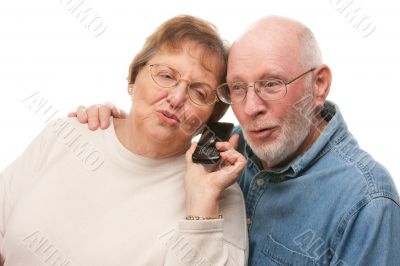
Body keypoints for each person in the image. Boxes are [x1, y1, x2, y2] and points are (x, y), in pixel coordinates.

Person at [73, 16, 400, 265]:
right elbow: (158, 131)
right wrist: (110, 123)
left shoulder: (368, 202)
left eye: (271, 84)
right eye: (238, 88)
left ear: (320, 85)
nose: (251, 108)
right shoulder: (223, 145)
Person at [0, 15, 249, 266]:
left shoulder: (219, 192)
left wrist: (202, 206)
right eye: (166, 76)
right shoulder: (66, 135)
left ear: (210, 118)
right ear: (133, 79)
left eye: (199, 92)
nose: (176, 98)